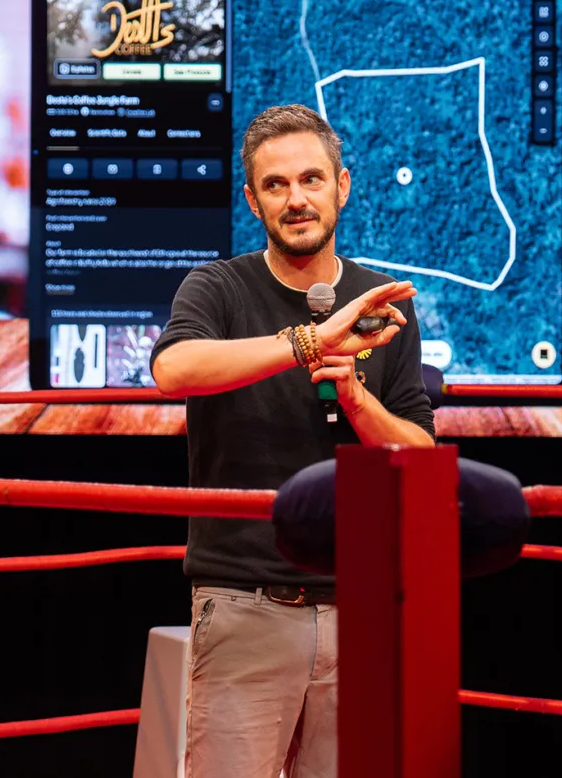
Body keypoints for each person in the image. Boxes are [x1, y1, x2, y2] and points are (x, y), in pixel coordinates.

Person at [150, 103, 436, 778]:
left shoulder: (379, 299)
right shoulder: (217, 285)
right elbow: (173, 369)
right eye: (275, 185)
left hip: (362, 606)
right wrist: (307, 340)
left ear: (343, 184)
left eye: (310, 179)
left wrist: (359, 398)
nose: (296, 198)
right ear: (252, 200)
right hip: (247, 601)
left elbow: (419, 454)